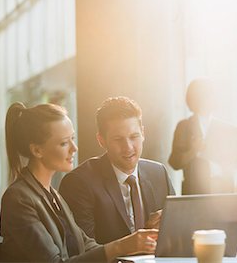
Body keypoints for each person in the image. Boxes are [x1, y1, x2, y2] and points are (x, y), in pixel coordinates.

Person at [0, 102, 158, 262]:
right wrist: (122, 246)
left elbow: (86, 246)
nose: (74, 148)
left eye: (72, 139)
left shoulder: (52, 195)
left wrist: (137, 244)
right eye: (64, 143)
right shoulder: (19, 199)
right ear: (37, 150)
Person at [59, 97, 175, 244]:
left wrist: (167, 226)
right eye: (118, 139)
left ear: (143, 134)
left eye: (134, 137)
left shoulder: (158, 173)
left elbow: (178, 232)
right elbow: (84, 250)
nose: (128, 147)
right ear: (101, 140)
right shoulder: (79, 183)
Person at [169, 78, 237, 194]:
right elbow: (174, 163)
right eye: (209, 94)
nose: (213, 98)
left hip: (224, 190)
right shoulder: (184, 127)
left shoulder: (224, 128)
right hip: (195, 191)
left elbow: (234, 163)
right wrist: (194, 151)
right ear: (197, 98)